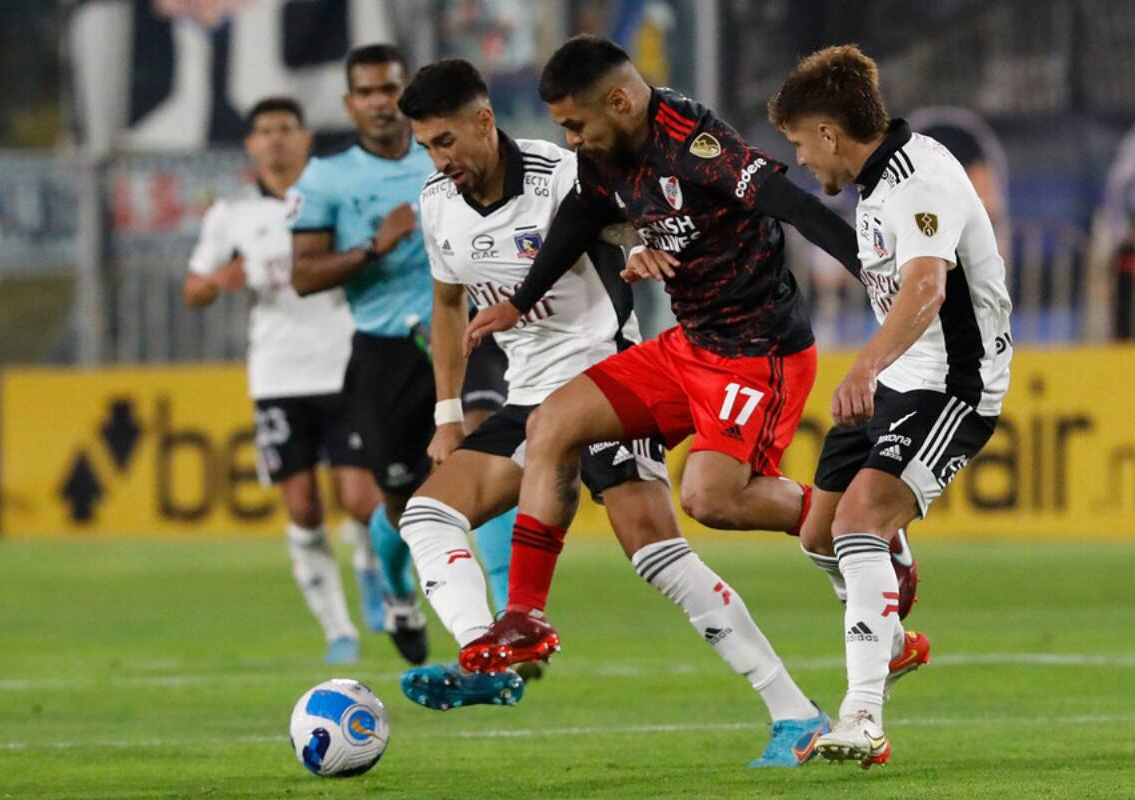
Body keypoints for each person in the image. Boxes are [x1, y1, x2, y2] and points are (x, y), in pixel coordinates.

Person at [392, 58, 834, 766]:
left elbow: (649, 212)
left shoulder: (564, 170)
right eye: (425, 147)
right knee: (426, 515)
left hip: (602, 372)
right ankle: (487, 655)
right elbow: (447, 305)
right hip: (528, 395)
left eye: (445, 141)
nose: (439, 160)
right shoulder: (438, 202)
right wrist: (448, 412)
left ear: (484, 121)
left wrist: (645, 247)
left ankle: (795, 709)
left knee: (659, 552)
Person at [460, 34, 915, 692]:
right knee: (551, 424)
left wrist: (874, 277)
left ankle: (865, 530)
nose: (570, 139)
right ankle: (525, 616)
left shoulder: (697, 144)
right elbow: (583, 213)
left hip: (757, 353)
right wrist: (519, 302)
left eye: (575, 125)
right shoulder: (605, 152)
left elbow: (796, 208)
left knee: (710, 498)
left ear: (620, 102)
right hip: (690, 345)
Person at [768, 44, 1012, 767]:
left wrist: (865, 365)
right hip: (901, 376)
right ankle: (895, 641)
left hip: (954, 383)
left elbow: (927, 287)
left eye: (800, 143)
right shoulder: (875, 185)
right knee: (819, 534)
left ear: (830, 133)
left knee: (858, 523)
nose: (802, 158)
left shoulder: (920, 178)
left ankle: (862, 718)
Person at [287, 44, 515, 664]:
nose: (380, 103)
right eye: (366, 92)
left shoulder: (448, 155)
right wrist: (373, 249)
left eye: (389, 89)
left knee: (486, 447)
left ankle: (506, 612)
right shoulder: (328, 178)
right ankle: (395, 585)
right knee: (401, 500)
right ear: (349, 104)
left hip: (468, 333)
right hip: (384, 352)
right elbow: (303, 275)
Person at [184, 96, 386, 664]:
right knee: (302, 508)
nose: (275, 138)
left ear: (304, 139)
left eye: (286, 128)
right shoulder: (231, 215)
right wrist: (217, 282)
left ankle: (371, 567)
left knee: (362, 501)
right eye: (265, 130)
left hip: (345, 364)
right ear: (252, 145)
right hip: (278, 375)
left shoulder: (334, 200)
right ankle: (338, 631)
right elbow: (194, 288)